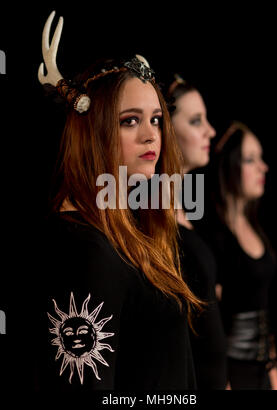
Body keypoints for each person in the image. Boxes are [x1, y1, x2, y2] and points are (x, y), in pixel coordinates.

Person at [32, 11, 204, 396]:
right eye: (130, 121)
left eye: (157, 120)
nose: (150, 136)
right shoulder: (83, 249)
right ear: (94, 129)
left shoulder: (128, 235)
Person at [204, 120, 277, 389]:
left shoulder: (255, 227)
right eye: (251, 160)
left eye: (260, 158)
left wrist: (275, 378)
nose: (263, 167)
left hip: (262, 372)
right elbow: (210, 325)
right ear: (230, 166)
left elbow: (263, 309)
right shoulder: (215, 238)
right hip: (233, 375)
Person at [163, 74, 227, 389]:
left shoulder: (189, 214)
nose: (210, 131)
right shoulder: (153, 220)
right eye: (196, 121)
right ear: (167, 129)